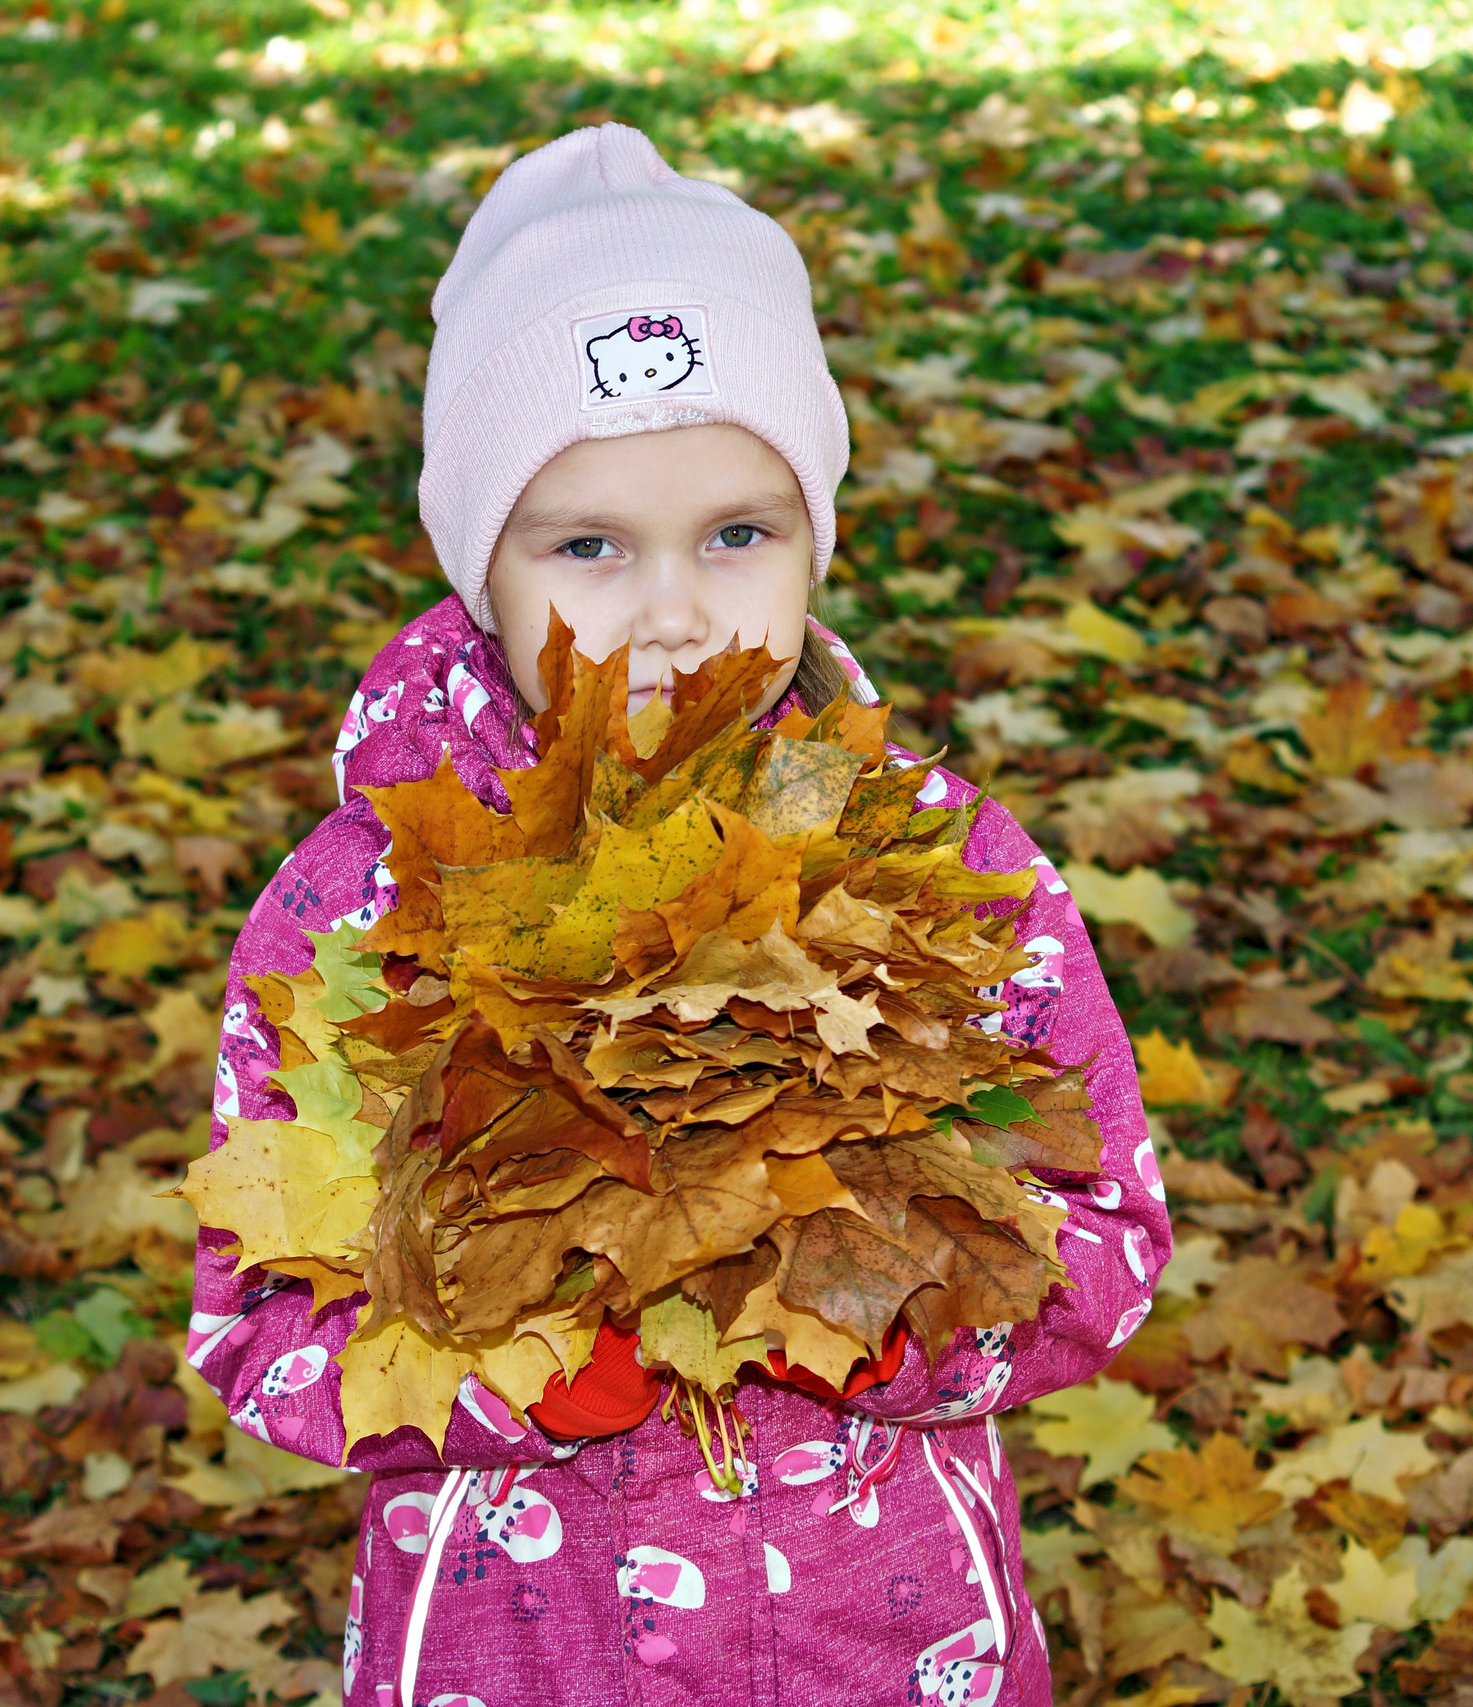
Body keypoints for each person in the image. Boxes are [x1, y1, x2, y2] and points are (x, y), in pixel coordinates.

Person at [189, 123, 1172, 1707]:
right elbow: (259, 1326)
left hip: (883, 1647)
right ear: (484, 569)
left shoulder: (945, 867)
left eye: (737, 534)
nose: (673, 612)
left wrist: (888, 1328)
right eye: (587, 546)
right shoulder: (364, 903)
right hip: (518, 1658)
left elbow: (1105, 1239)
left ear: (814, 540)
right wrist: (519, 1377)